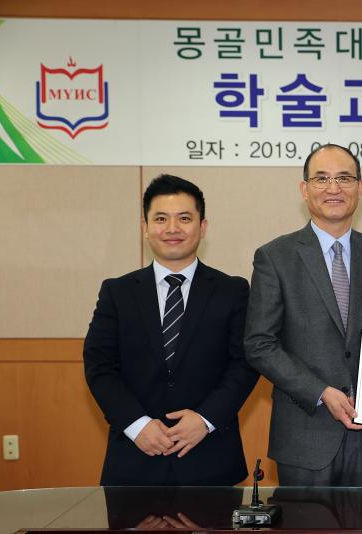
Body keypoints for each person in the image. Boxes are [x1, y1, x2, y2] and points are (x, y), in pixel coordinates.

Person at [244, 144, 362, 486]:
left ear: (360, 188)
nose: (333, 188)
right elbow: (260, 344)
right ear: (304, 189)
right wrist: (321, 391)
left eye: (344, 178)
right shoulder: (275, 256)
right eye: (321, 179)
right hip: (304, 436)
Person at [83, 174, 258, 485]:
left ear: (203, 227)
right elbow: (99, 366)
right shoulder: (117, 292)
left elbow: (245, 363)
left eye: (185, 218)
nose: (173, 228)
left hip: (210, 457)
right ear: (145, 226)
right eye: (161, 218)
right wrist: (137, 425)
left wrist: (205, 420)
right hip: (134, 459)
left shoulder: (233, 290)